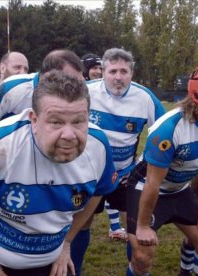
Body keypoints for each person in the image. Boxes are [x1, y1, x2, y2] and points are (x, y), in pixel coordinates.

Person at [0, 70, 119, 276]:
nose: (69, 135)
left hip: (49, 264)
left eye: (78, 122)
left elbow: (98, 191)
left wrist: (66, 242)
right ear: (34, 119)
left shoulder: (98, 146)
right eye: (56, 122)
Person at [126, 64, 198, 276]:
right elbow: (152, 183)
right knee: (142, 256)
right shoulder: (169, 128)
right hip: (146, 188)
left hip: (179, 190)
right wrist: (143, 225)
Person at [71, 48, 166, 275]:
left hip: (125, 175)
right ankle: (73, 270)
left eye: (124, 71)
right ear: (103, 71)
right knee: (80, 225)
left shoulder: (145, 98)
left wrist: (140, 167)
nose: (118, 77)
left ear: (132, 73)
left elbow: (165, 134)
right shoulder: (85, 92)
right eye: (113, 71)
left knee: (135, 230)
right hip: (89, 173)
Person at [0, 49, 84, 153]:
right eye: (69, 80)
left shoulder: (78, 94)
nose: (74, 87)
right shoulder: (15, 88)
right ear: (49, 75)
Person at [81, 52, 124, 241]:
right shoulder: (80, 92)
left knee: (110, 188)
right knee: (83, 218)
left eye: (100, 68)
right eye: (94, 68)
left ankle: (115, 226)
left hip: (114, 161)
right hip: (85, 163)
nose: (97, 71)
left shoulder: (112, 93)